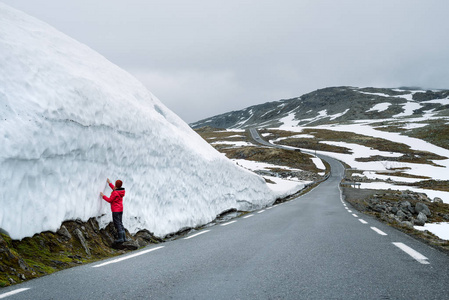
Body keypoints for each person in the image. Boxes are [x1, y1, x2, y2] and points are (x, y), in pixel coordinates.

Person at [100, 178, 126, 243]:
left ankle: (121, 238)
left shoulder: (115, 192)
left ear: (116, 184)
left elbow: (110, 200)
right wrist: (109, 183)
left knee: (117, 223)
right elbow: (114, 189)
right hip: (120, 209)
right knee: (120, 222)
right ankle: (124, 238)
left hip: (116, 210)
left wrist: (103, 196)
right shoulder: (121, 191)